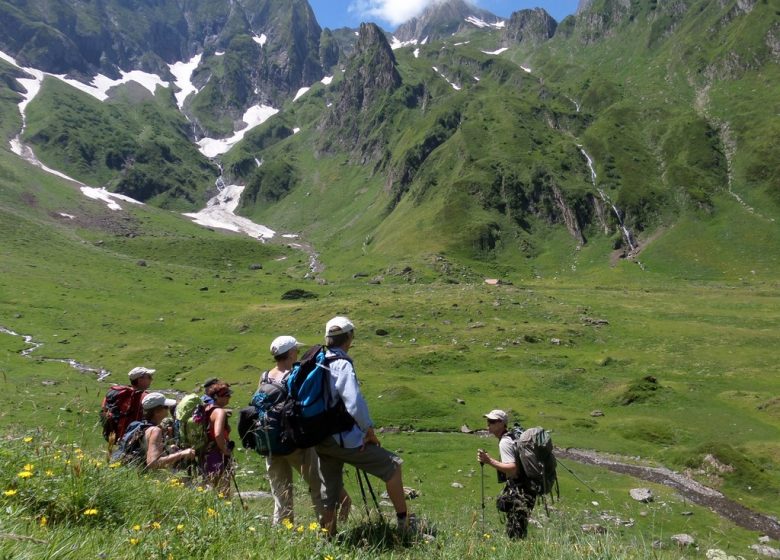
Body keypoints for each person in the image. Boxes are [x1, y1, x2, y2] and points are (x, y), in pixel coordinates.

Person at [314, 316, 412, 536]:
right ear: (349, 337)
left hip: (319, 438)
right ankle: (404, 526)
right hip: (342, 438)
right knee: (393, 467)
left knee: (329, 490)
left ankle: (326, 539)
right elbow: (354, 402)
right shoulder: (341, 364)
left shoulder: (316, 361)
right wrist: (368, 431)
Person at [262, 335, 351, 526]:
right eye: (297, 351)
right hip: (295, 444)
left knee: (281, 494)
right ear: (292, 353)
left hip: (270, 444)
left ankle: (282, 534)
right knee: (317, 487)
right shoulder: (294, 376)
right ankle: (326, 530)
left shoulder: (264, 377)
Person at [477, 409, 537, 539]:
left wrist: (489, 461)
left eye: (492, 421)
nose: (488, 424)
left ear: (501, 423)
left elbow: (513, 469)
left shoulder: (505, 442)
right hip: (528, 487)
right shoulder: (512, 436)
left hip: (519, 489)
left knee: (515, 531)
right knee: (519, 527)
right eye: (488, 421)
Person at [141, 392, 196, 469]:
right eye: (166, 407)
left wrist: (167, 448)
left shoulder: (143, 425)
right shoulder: (155, 431)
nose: (169, 408)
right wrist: (182, 454)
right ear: (157, 411)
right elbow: (153, 463)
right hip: (152, 478)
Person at [202, 382, 234, 493]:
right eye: (227, 395)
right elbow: (218, 434)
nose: (229, 398)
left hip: (206, 451)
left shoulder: (207, 409)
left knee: (210, 485)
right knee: (223, 488)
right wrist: (225, 450)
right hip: (217, 452)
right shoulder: (219, 412)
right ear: (217, 397)